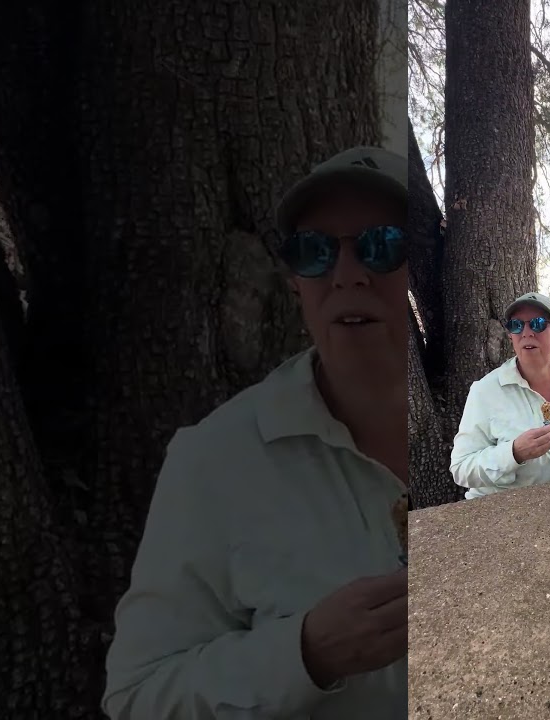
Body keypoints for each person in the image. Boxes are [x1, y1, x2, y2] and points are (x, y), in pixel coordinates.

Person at [102, 146, 411, 719]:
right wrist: (306, 654)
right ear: (295, 283)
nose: (347, 275)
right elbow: (138, 697)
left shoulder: (505, 421)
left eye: (384, 245)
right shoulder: (215, 460)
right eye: (315, 252)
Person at [449, 292, 550, 499]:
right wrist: (513, 453)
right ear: (511, 336)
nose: (527, 332)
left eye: (538, 324)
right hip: (509, 509)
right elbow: (461, 469)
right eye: (516, 325)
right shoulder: (486, 391)